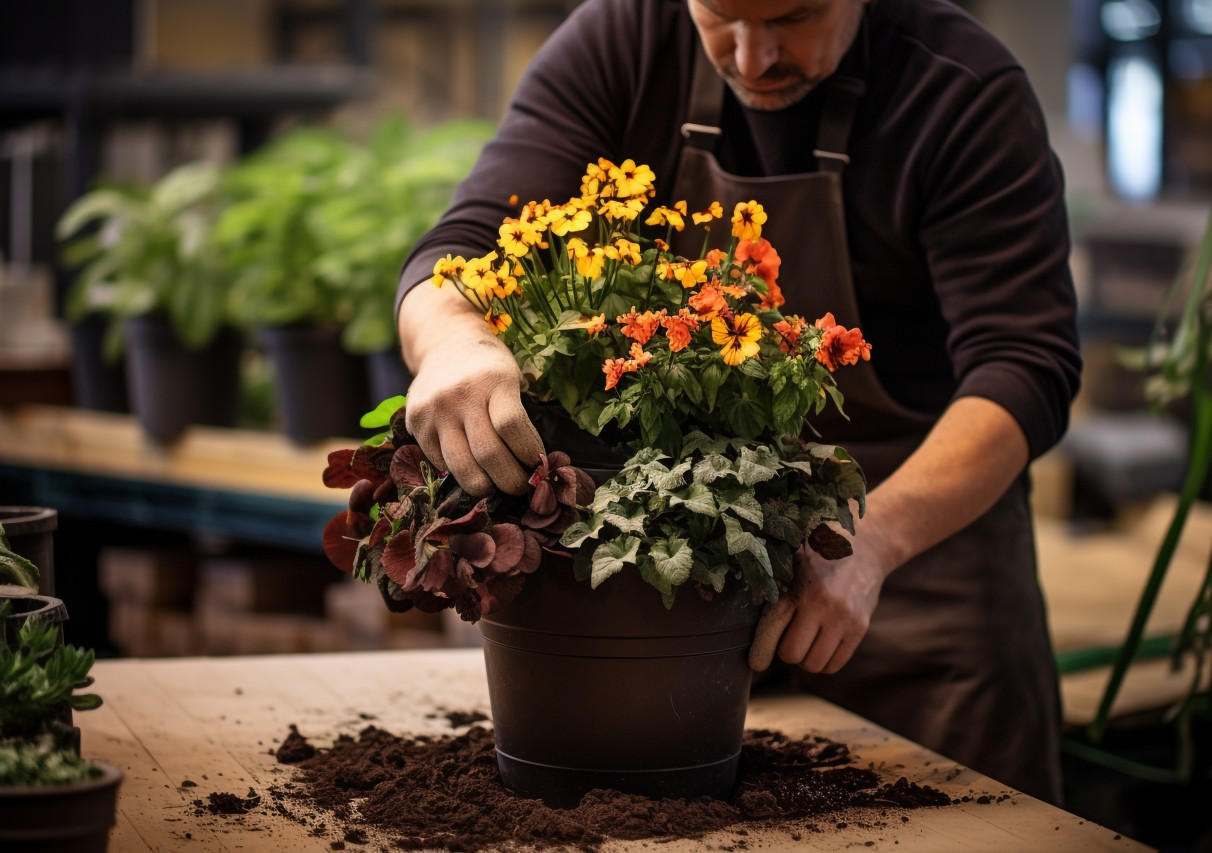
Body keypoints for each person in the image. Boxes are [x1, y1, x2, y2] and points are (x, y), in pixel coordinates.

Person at [396, 0, 1081, 805]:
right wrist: (454, 343)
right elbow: (462, 245)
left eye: (791, 19)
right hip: (690, 576)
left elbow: (1022, 364)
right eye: (721, 17)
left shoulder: (961, 90)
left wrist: (874, 542)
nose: (752, 58)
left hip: (917, 566)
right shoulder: (625, 39)